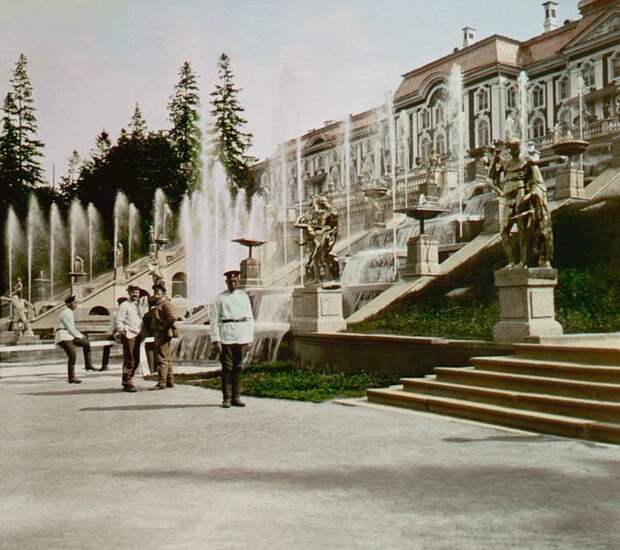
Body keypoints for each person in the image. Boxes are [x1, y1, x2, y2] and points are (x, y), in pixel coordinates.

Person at [210, 270, 254, 408]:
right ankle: (226, 398)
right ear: (226, 282)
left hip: (241, 335)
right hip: (226, 335)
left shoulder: (244, 297)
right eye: (230, 281)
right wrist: (216, 340)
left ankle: (237, 397)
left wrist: (250, 338)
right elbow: (214, 320)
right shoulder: (220, 298)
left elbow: (250, 318)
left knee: (238, 367)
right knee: (227, 368)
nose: (233, 283)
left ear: (239, 281)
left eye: (235, 281)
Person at [54, 295, 95, 384]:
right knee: (72, 355)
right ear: (68, 304)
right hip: (63, 336)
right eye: (74, 303)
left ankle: (88, 365)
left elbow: (72, 329)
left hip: (69, 336)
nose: (76, 305)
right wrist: (80, 336)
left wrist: (81, 337)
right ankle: (71, 377)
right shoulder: (66, 312)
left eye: (76, 303)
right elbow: (70, 328)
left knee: (86, 343)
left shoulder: (70, 312)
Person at [115, 285, 146, 392]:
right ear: (129, 293)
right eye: (133, 292)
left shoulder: (138, 305)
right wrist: (123, 331)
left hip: (137, 334)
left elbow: (141, 318)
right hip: (128, 334)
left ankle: (129, 380)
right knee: (130, 359)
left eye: (137, 293)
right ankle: (127, 382)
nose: (135, 294)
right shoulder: (124, 305)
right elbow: (118, 320)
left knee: (136, 359)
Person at [150, 281, 177, 390]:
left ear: (164, 293)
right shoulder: (160, 303)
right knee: (167, 357)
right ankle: (169, 381)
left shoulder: (165, 303)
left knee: (162, 358)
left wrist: (163, 327)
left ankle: (162, 383)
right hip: (161, 333)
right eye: (155, 292)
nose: (156, 294)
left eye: (158, 292)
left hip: (163, 333)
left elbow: (172, 317)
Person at [100, 296, 128, 372]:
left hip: (121, 333)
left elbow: (112, 326)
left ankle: (104, 365)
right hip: (124, 333)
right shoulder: (120, 312)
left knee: (106, 346)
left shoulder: (116, 313)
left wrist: (110, 332)